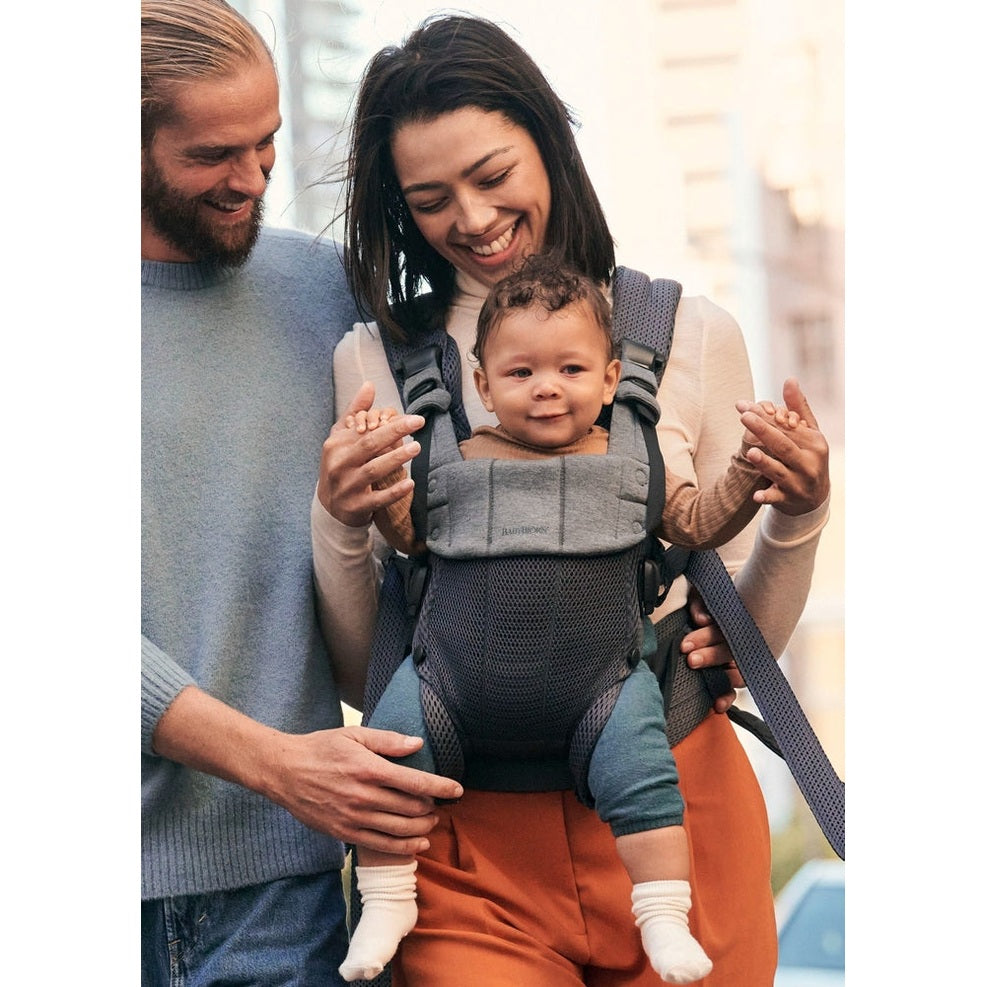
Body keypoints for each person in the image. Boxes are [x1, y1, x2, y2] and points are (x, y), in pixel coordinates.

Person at [312, 13, 831, 986]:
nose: (469, 216)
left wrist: (799, 514)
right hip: (463, 846)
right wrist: (340, 521)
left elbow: (738, 648)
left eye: (493, 174)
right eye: (429, 199)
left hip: (673, 810)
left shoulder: (687, 333)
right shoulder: (374, 359)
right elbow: (363, 665)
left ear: (550, 142)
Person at [337, 254, 813, 984]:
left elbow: (697, 523)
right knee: (393, 765)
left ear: (612, 378)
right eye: (521, 373)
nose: (547, 387)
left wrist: (756, 472)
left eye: (569, 369)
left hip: (606, 692)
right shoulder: (452, 461)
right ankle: (387, 897)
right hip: (448, 695)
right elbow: (409, 538)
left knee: (645, 783)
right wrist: (371, 493)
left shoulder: (636, 457)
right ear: (484, 384)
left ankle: (659, 913)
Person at [140, 3, 462, 984]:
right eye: (213, 154)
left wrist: (678, 612)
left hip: (285, 893)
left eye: (269, 141)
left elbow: (504, 471)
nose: (254, 178)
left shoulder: (331, 296)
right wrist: (279, 762)